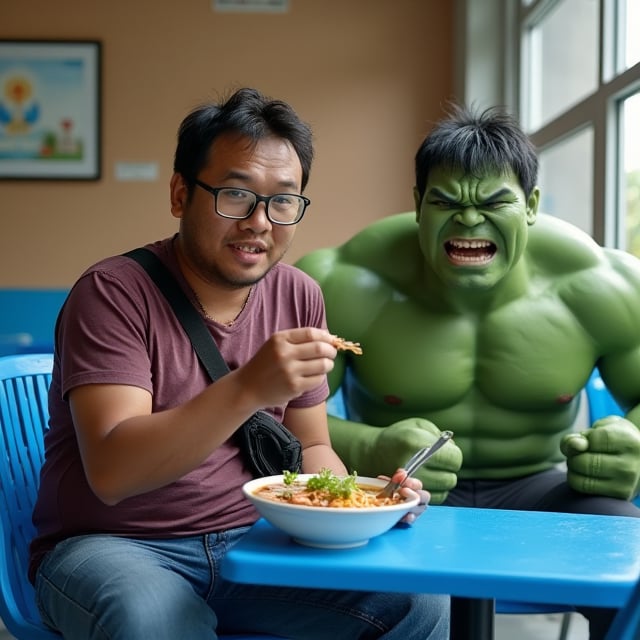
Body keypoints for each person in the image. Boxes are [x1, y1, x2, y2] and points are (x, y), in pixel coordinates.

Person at [28, 88, 450, 640]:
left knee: (421, 600)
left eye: (283, 201)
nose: (260, 222)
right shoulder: (112, 292)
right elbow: (114, 474)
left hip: (257, 542)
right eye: (235, 194)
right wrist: (250, 386)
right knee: (151, 617)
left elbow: (312, 447)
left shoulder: (299, 294)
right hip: (113, 546)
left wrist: (363, 504)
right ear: (181, 194)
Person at [296, 103, 640, 640]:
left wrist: (632, 442)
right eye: (446, 202)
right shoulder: (339, 281)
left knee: (631, 563)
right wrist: (371, 446)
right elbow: (275, 417)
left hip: (545, 492)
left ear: (530, 206)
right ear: (418, 207)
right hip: (391, 495)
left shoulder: (601, 283)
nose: (470, 220)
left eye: (494, 202)